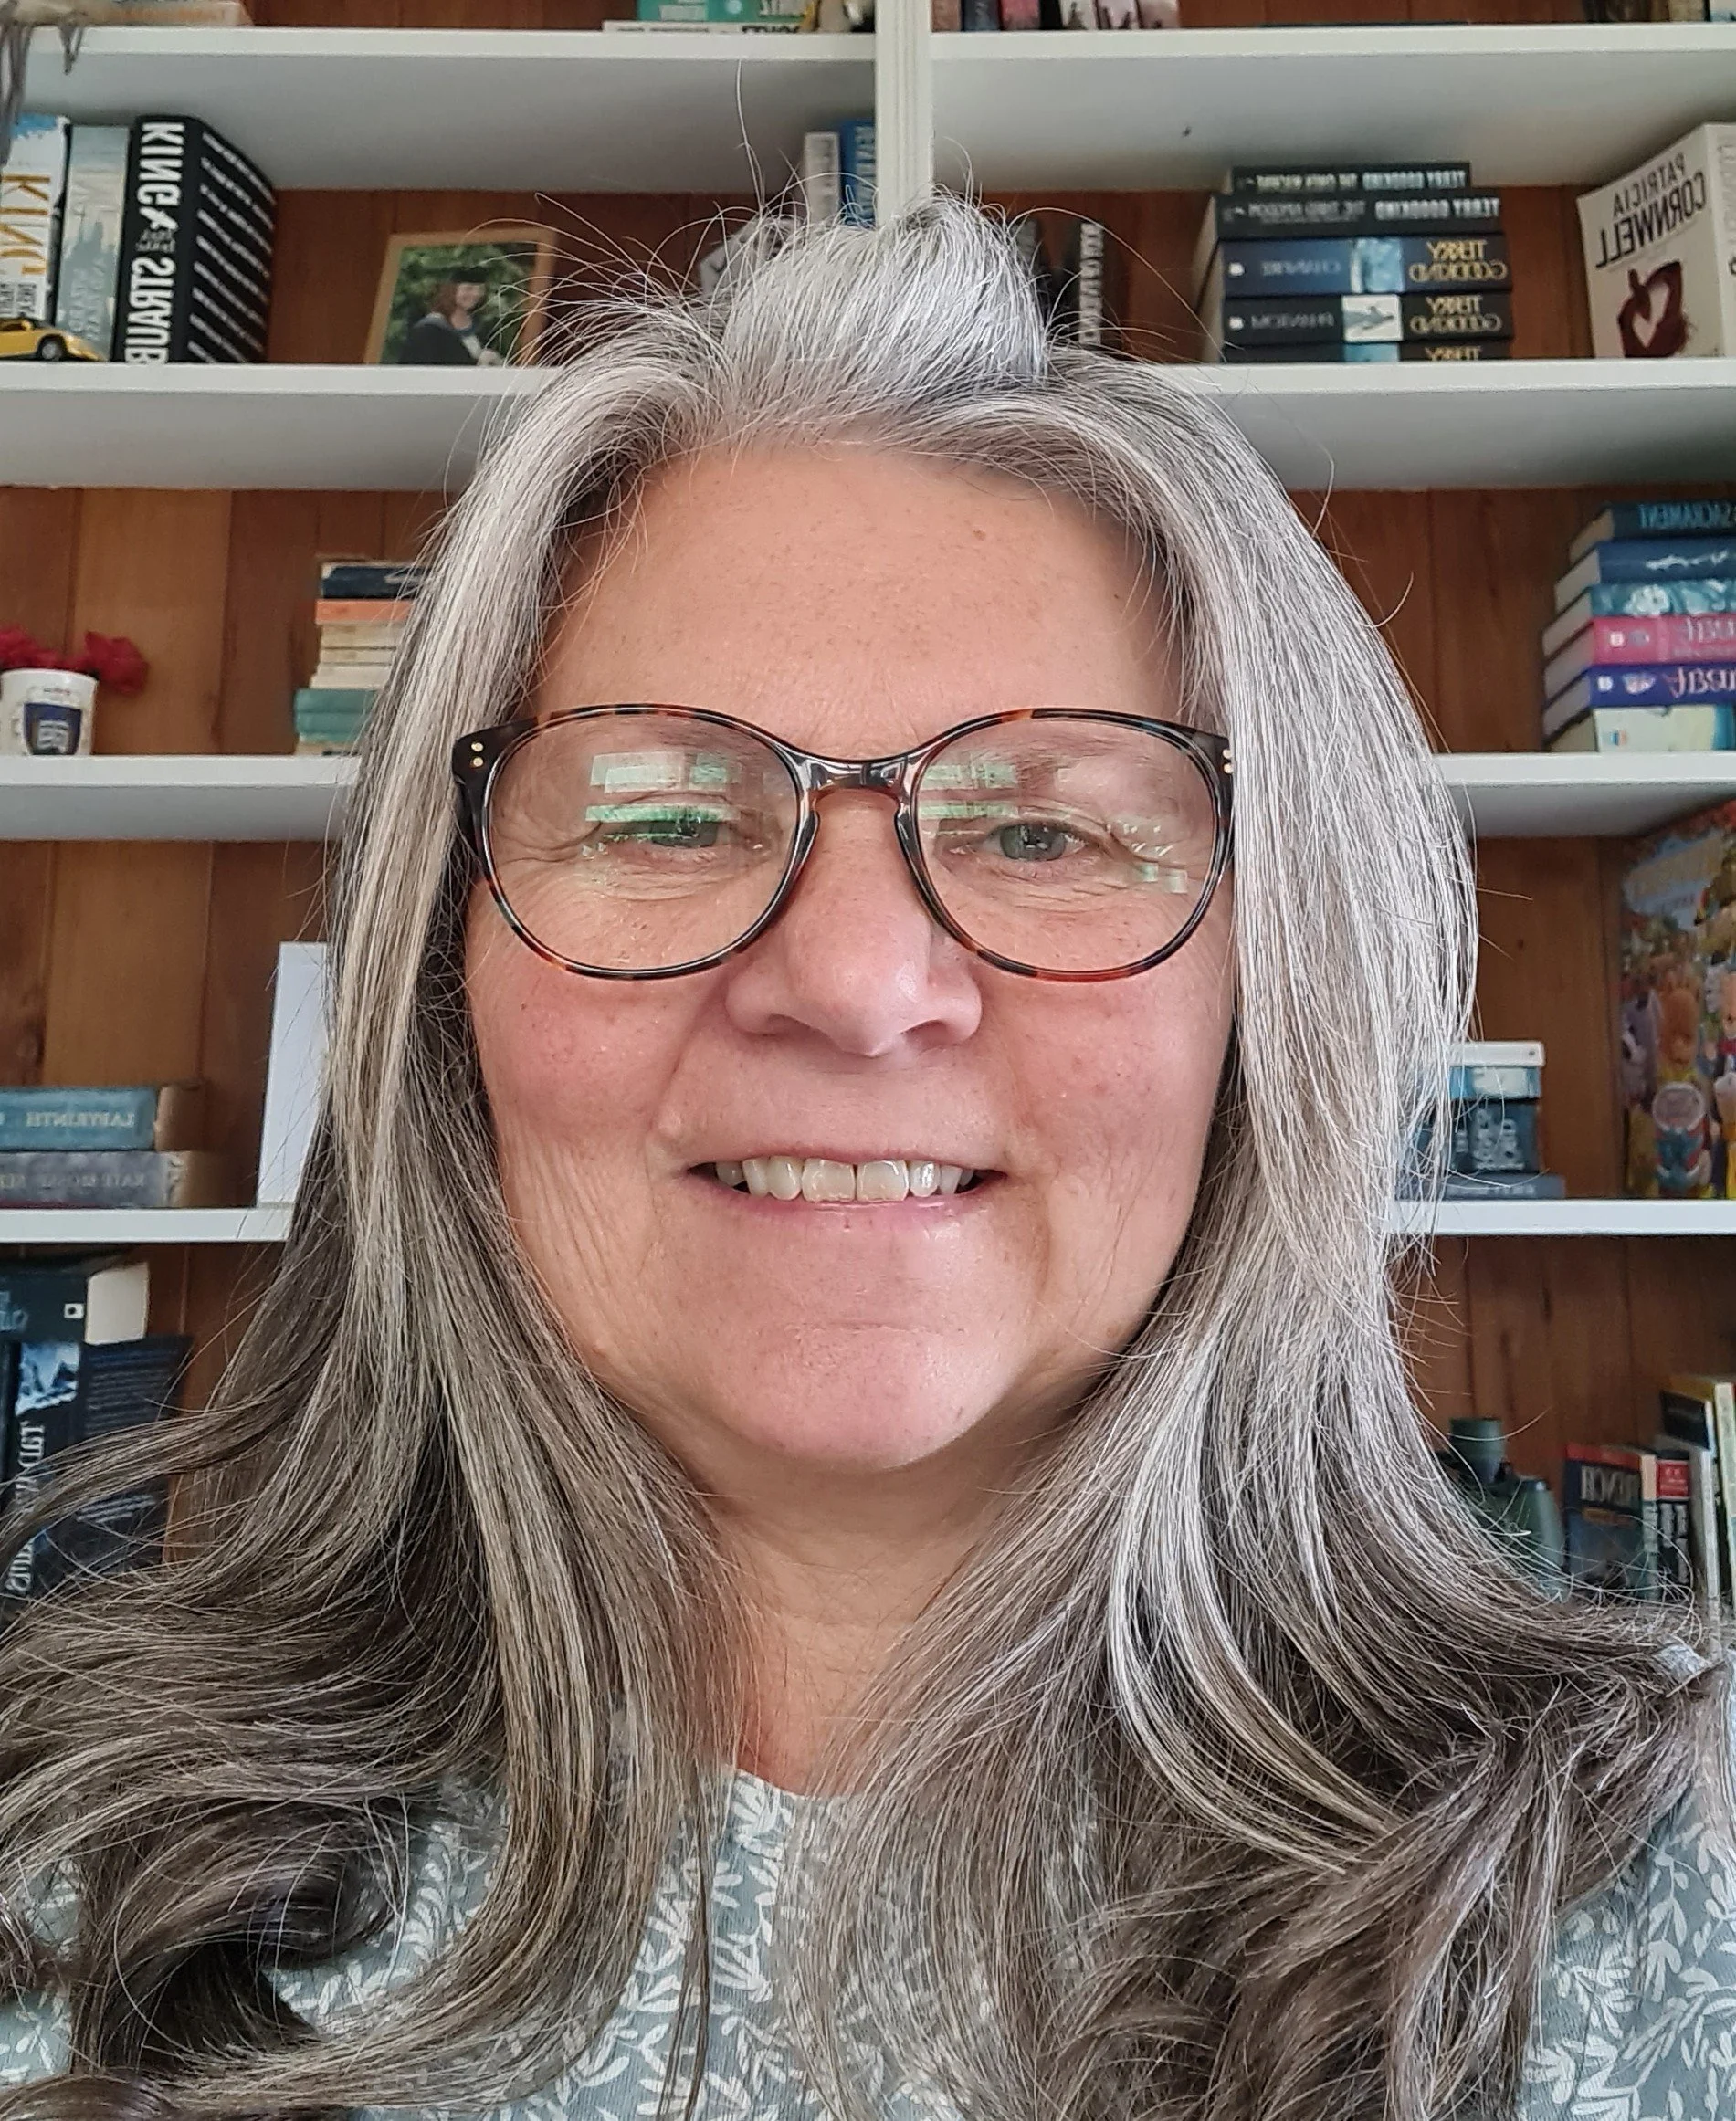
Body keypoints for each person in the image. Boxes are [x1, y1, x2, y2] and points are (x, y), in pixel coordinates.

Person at [0, 198, 1731, 2121]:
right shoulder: (57, 1870)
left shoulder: (1658, 1897)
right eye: (661, 816)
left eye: (1045, 835)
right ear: (437, 988)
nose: (847, 983)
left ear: (1272, 1003)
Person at [397, 277, 505, 366]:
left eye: (481, 289)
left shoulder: (483, 328)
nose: (476, 294)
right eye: (468, 288)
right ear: (451, 291)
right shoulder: (429, 330)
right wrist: (478, 362)